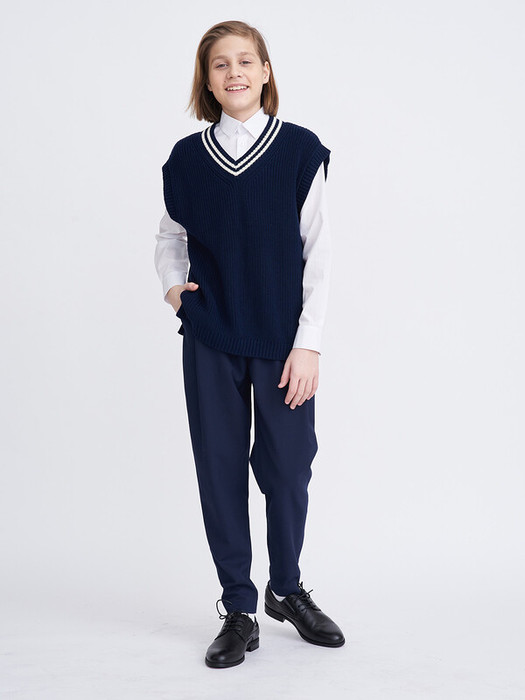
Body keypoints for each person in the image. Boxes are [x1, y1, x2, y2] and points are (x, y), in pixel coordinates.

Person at [155, 20, 345, 669]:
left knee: (288, 467)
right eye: (219, 64)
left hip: (282, 341)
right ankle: (238, 605)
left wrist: (308, 344)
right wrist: (175, 291)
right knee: (219, 468)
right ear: (206, 81)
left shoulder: (298, 150)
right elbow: (170, 237)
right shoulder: (187, 159)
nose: (233, 72)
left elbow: (319, 252)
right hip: (211, 336)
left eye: (245, 60)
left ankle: (285, 588)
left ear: (265, 71)